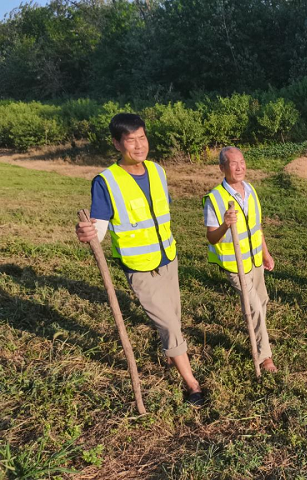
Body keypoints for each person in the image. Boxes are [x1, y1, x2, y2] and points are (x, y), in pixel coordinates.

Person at [75, 113, 203, 406]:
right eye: (130, 140)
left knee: (174, 319)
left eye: (142, 137)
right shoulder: (106, 181)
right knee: (170, 326)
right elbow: (99, 227)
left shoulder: (158, 171)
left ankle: (172, 358)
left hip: (168, 258)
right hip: (140, 268)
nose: (139, 145)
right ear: (117, 143)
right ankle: (192, 384)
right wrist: (87, 232)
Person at [203, 147, 278, 373]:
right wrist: (226, 224)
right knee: (254, 307)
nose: (239, 167)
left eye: (242, 162)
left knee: (262, 301)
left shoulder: (251, 190)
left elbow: (256, 227)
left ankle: (258, 336)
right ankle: (265, 358)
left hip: (255, 261)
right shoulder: (215, 198)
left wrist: (265, 253)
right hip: (235, 265)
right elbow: (211, 236)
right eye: (233, 163)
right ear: (222, 168)